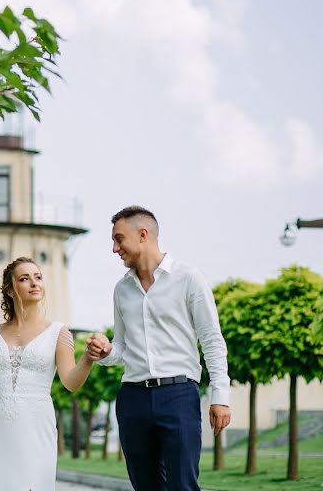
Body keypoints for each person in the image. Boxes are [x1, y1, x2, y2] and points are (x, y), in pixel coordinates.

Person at [89, 206, 231, 491]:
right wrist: (106, 353)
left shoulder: (189, 278)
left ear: (143, 235)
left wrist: (221, 395)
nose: (115, 249)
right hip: (132, 399)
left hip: (178, 396)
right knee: (145, 486)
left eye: (119, 239)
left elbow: (212, 339)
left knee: (182, 485)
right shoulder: (122, 289)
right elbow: (121, 347)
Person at [0, 256, 108, 490]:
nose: (34, 283)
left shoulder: (58, 332)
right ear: (10, 290)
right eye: (24, 279)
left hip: (37, 429)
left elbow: (70, 382)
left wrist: (88, 359)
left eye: (38, 277)